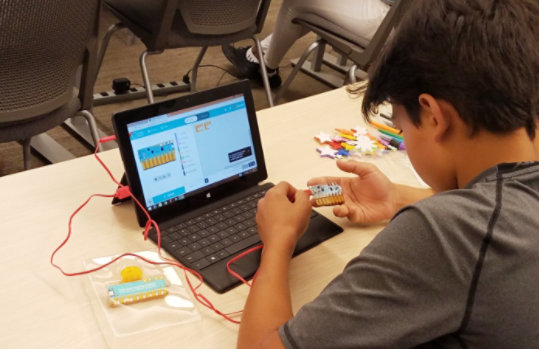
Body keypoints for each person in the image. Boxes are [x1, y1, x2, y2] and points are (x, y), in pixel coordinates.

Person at [237, 0, 539, 348]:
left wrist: (278, 240)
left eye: (401, 126)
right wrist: (397, 197)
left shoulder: (447, 233)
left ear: (432, 116)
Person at [222, 0, 394, 88]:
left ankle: (265, 66)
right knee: (306, 6)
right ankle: (260, 57)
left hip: (390, 21)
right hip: (397, 17)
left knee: (296, 2)